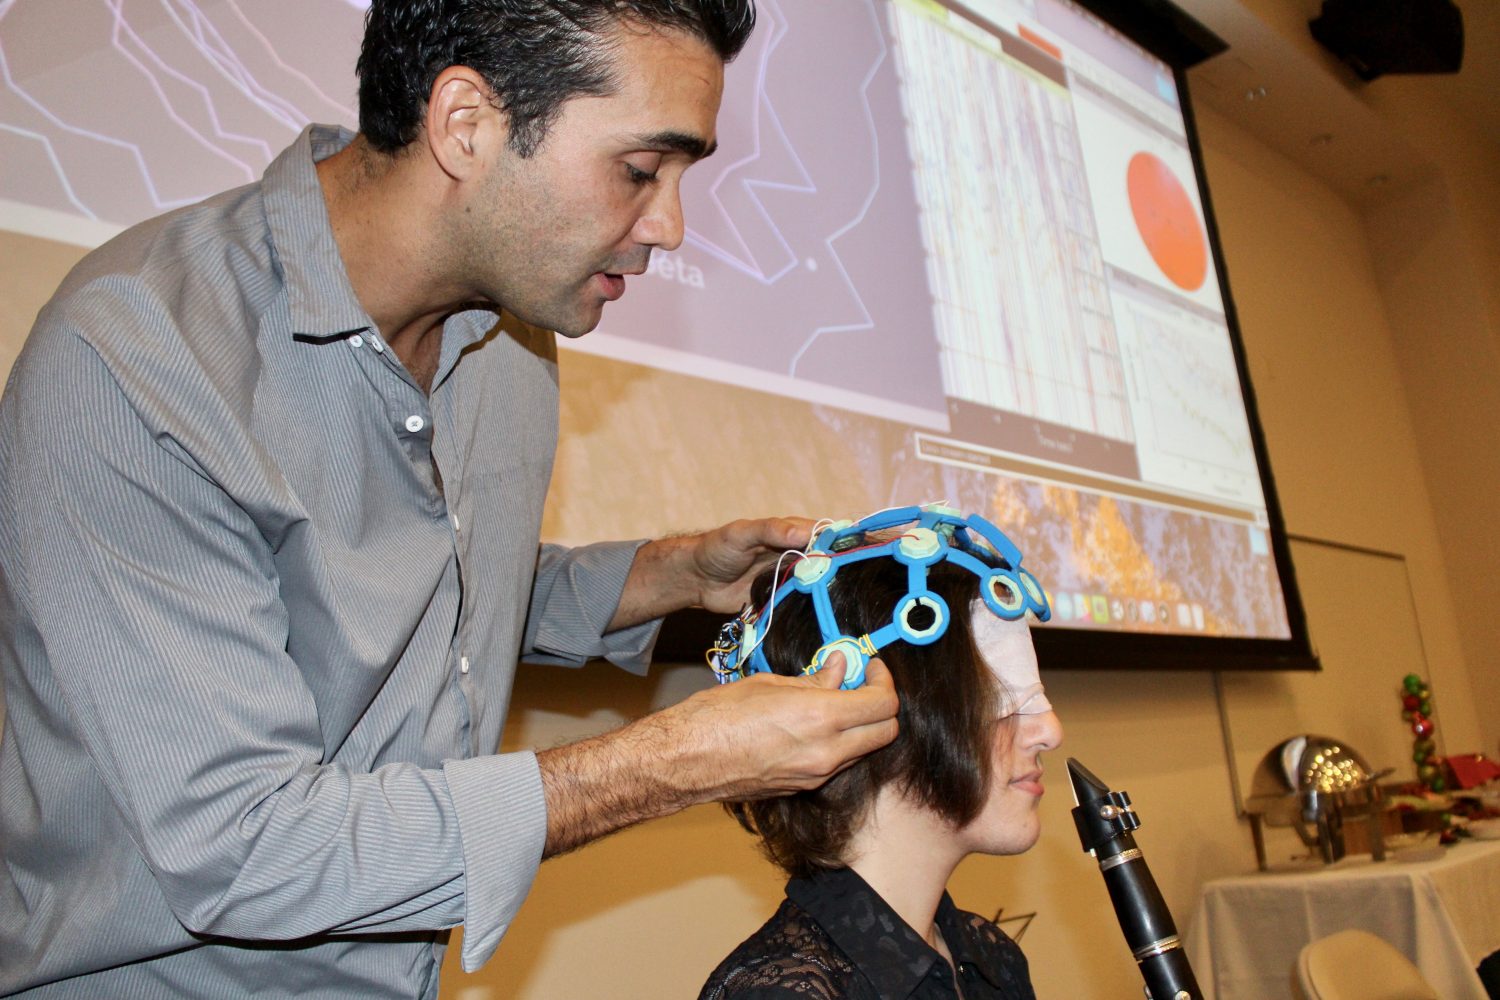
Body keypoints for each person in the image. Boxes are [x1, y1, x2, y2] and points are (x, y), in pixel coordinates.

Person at [0, 2, 902, 996]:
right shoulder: (137, 362)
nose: (671, 228)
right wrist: (667, 764)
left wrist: (662, 577)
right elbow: (240, 847)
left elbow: (417, 593)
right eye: (641, 171)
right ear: (465, 122)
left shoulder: (508, 338)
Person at [698, 506, 1063, 999]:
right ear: (871, 713)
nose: (1050, 730)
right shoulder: (789, 992)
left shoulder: (989, 956)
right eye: (1003, 697)